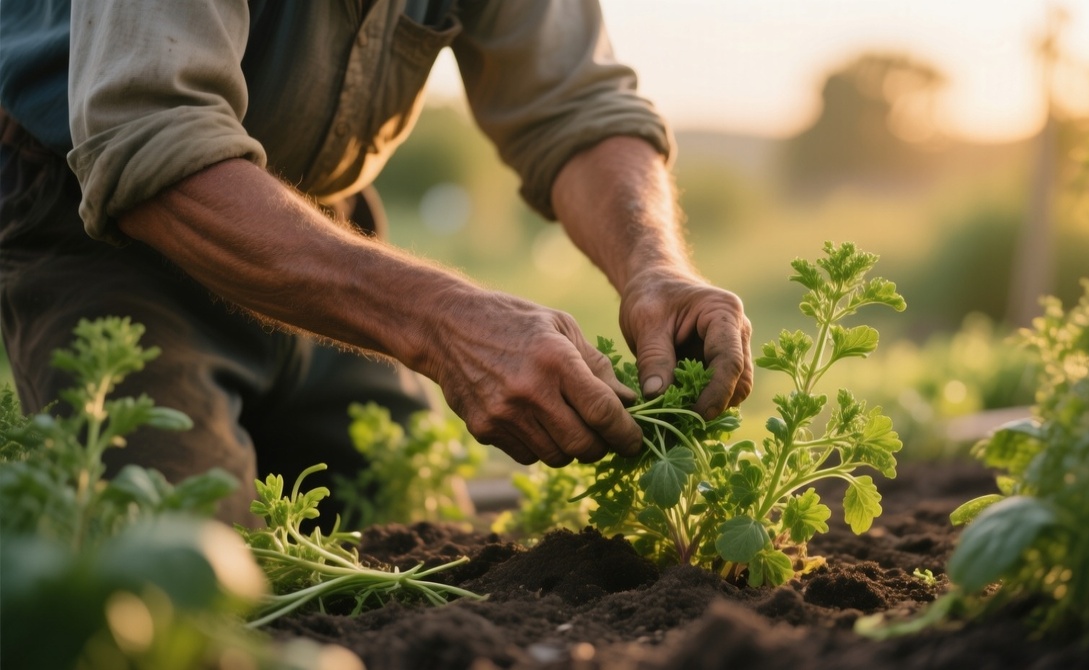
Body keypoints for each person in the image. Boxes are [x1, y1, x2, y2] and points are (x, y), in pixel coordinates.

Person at [0, 1, 753, 526]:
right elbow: (149, 137)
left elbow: (577, 107)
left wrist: (656, 266)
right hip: (104, 236)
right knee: (182, 583)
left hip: (321, 237)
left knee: (419, 552)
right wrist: (441, 320)